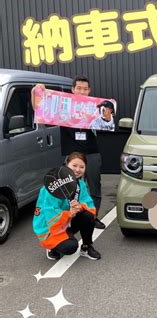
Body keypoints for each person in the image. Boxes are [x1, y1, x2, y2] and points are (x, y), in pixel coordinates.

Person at [32, 76, 106, 229]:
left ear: (89, 91)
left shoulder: (94, 107)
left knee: (94, 185)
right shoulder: (62, 106)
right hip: (71, 153)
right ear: (72, 90)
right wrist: (36, 91)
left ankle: (93, 216)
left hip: (91, 152)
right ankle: (68, 217)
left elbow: (107, 119)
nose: (82, 91)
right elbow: (39, 110)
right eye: (79, 88)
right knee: (68, 186)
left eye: (85, 89)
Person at [33, 152, 102, 261]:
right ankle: (52, 248)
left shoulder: (80, 184)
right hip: (50, 226)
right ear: (66, 165)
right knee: (70, 247)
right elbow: (48, 212)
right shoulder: (53, 185)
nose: (78, 170)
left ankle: (86, 247)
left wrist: (80, 207)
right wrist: (69, 213)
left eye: (82, 167)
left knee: (88, 215)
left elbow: (88, 203)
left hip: (67, 221)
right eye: (74, 165)